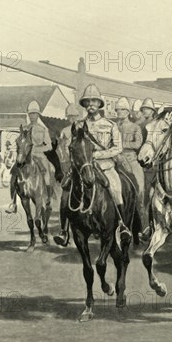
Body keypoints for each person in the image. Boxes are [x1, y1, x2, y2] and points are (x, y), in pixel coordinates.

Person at [78, 84, 131, 240]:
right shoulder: (79, 125)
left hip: (105, 167)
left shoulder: (110, 125)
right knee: (67, 190)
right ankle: (65, 228)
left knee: (116, 189)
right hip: (84, 168)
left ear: (100, 104)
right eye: (88, 102)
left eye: (94, 101)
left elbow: (117, 148)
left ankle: (122, 225)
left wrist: (97, 155)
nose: (91, 105)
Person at [5, 101, 55, 214]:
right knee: (14, 174)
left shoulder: (43, 129)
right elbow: (20, 143)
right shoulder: (25, 129)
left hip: (39, 156)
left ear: (38, 115)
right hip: (25, 157)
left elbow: (49, 146)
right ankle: (13, 203)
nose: (32, 116)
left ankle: (48, 199)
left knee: (48, 172)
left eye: (35, 114)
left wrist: (36, 149)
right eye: (31, 114)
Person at [54, 103, 85, 246]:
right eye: (70, 116)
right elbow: (60, 151)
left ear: (79, 117)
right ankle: (64, 231)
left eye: (75, 116)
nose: (72, 119)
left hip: (85, 167)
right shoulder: (65, 132)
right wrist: (65, 165)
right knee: (64, 199)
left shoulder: (84, 130)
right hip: (71, 169)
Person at [115, 97, 145, 217]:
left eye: (121, 110)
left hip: (131, 159)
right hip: (115, 159)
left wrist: (121, 145)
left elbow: (138, 144)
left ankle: (140, 210)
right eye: (117, 110)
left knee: (140, 186)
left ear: (127, 112)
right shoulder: (113, 126)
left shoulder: (135, 127)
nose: (119, 112)